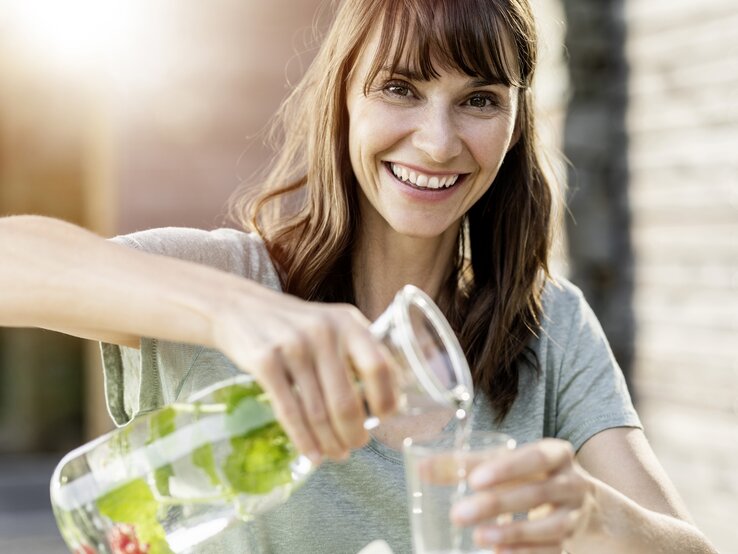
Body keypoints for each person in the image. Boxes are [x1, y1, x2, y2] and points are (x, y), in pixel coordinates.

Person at [0, 0, 718, 552]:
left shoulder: (548, 326)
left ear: (515, 122)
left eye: (479, 99)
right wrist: (229, 313)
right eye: (401, 88)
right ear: (344, 97)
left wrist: (594, 514)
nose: (437, 143)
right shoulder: (231, 278)